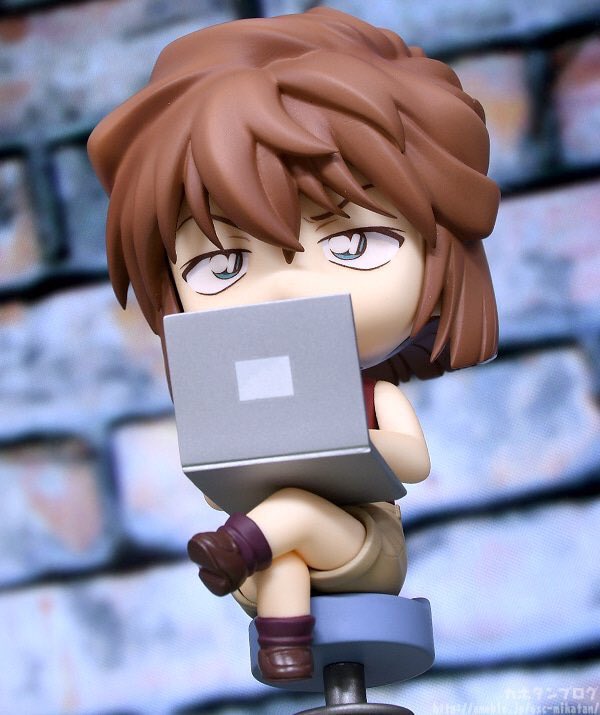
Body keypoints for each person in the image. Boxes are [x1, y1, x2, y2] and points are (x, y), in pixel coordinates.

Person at [88, 7, 500, 682]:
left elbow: (414, 461)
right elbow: (221, 477)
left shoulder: (372, 394)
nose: (285, 288)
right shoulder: (239, 392)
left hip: (362, 541)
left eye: (352, 243)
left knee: (297, 515)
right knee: (282, 538)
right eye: (222, 264)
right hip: (271, 557)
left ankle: (237, 550)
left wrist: (344, 443)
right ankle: (284, 643)